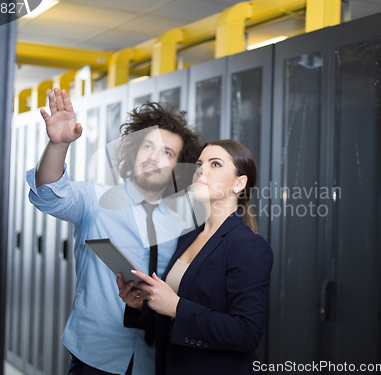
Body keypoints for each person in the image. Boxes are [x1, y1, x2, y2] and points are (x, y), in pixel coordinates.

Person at [26, 87, 203, 375]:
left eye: (167, 152)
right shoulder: (95, 200)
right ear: (134, 152)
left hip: (155, 360)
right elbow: (47, 194)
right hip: (95, 356)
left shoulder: (180, 226)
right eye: (148, 146)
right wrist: (58, 145)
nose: (154, 157)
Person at [117, 139, 273, 375]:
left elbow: (247, 334)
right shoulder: (188, 237)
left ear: (239, 183)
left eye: (216, 164)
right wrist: (140, 306)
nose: (201, 170)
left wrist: (177, 308)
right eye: (200, 164)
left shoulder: (248, 246)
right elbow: (173, 320)